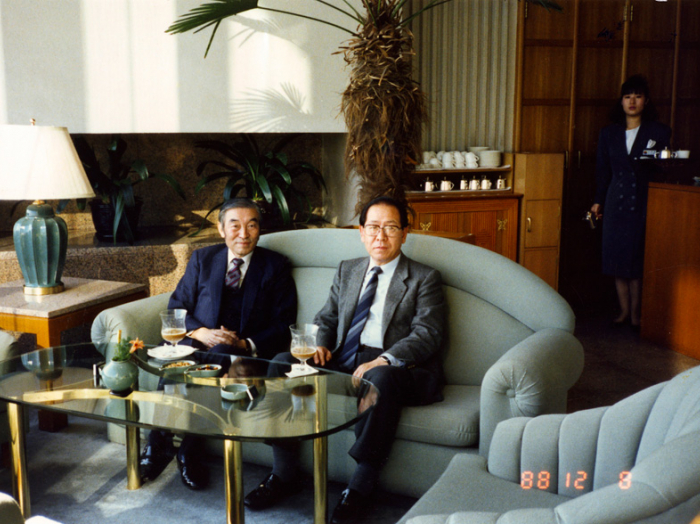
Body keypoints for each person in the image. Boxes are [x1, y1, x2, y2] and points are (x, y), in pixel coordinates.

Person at [244, 196, 446, 523]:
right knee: (282, 362)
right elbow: (327, 317)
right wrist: (321, 345)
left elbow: (428, 333)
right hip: (344, 357)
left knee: (379, 378)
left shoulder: (424, 277)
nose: (381, 236)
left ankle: (360, 488)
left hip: (396, 368)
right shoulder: (348, 269)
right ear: (361, 232)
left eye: (391, 227)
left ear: (405, 233)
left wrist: (385, 359)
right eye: (373, 227)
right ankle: (283, 473)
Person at [140, 198, 297, 490]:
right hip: (198, 344)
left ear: (259, 230)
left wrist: (244, 343)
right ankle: (163, 443)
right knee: (179, 360)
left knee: (218, 352)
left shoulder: (275, 266)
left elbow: (284, 323)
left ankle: (179, 448)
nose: (243, 234)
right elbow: (177, 307)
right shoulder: (203, 259)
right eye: (235, 225)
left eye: (252, 225)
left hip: (244, 355)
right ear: (221, 229)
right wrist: (201, 332)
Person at [590, 75, 671, 329]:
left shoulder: (658, 131)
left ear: (646, 100)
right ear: (622, 101)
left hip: (643, 200)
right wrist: (597, 201)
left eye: (637, 96)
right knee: (616, 258)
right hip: (616, 201)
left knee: (636, 260)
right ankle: (624, 312)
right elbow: (603, 170)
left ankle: (637, 315)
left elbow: (664, 166)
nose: (632, 101)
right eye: (627, 96)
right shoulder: (609, 133)